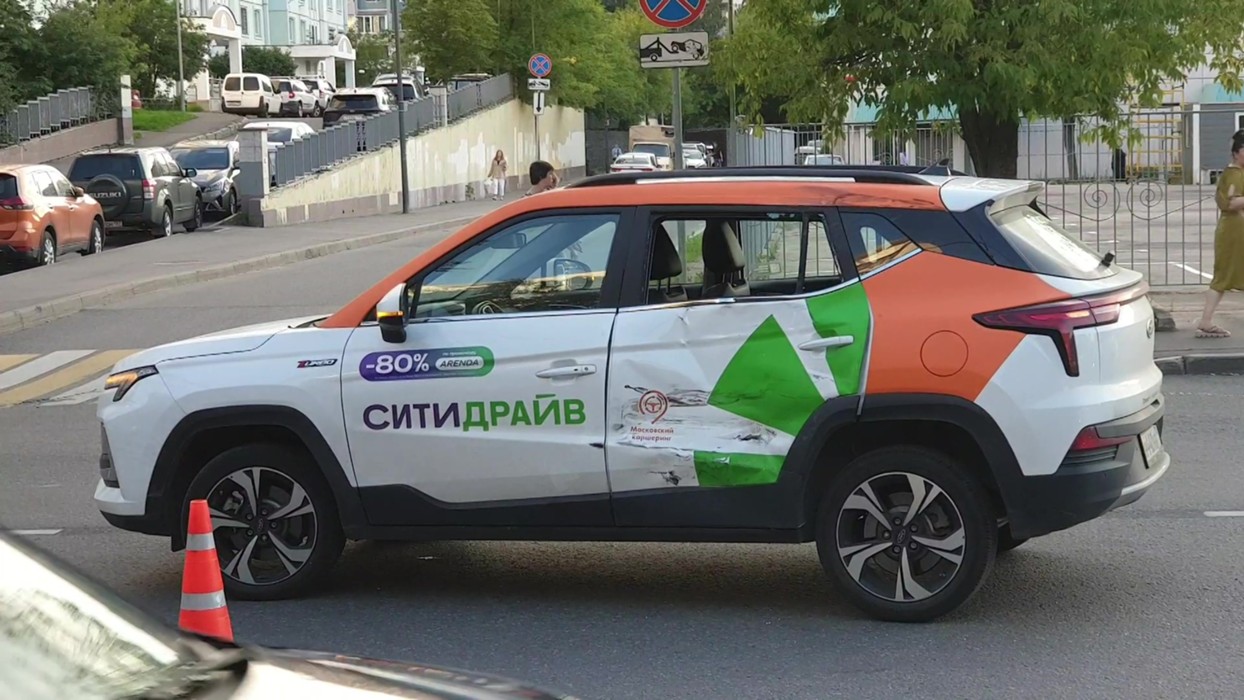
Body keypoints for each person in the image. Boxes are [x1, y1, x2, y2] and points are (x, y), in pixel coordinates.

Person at [1196, 130, 1244, 338]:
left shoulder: (1236, 173)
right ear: (1236, 152)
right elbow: (1231, 203)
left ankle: (1206, 320)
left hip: (1235, 230)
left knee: (1223, 277)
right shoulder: (1234, 174)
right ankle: (1205, 321)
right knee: (1223, 277)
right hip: (1235, 232)